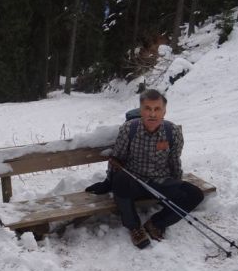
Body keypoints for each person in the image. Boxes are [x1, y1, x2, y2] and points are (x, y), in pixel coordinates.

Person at [86, 89, 204, 249]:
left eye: (157, 109)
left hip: (161, 181)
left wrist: (176, 185)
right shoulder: (129, 130)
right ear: (141, 110)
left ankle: (156, 223)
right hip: (134, 182)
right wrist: (108, 183)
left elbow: (174, 161)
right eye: (148, 108)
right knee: (120, 180)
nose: (152, 114)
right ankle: (134, 227)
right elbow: (116, 160)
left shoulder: (173, 132)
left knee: (194, 194)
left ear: (164, 111)